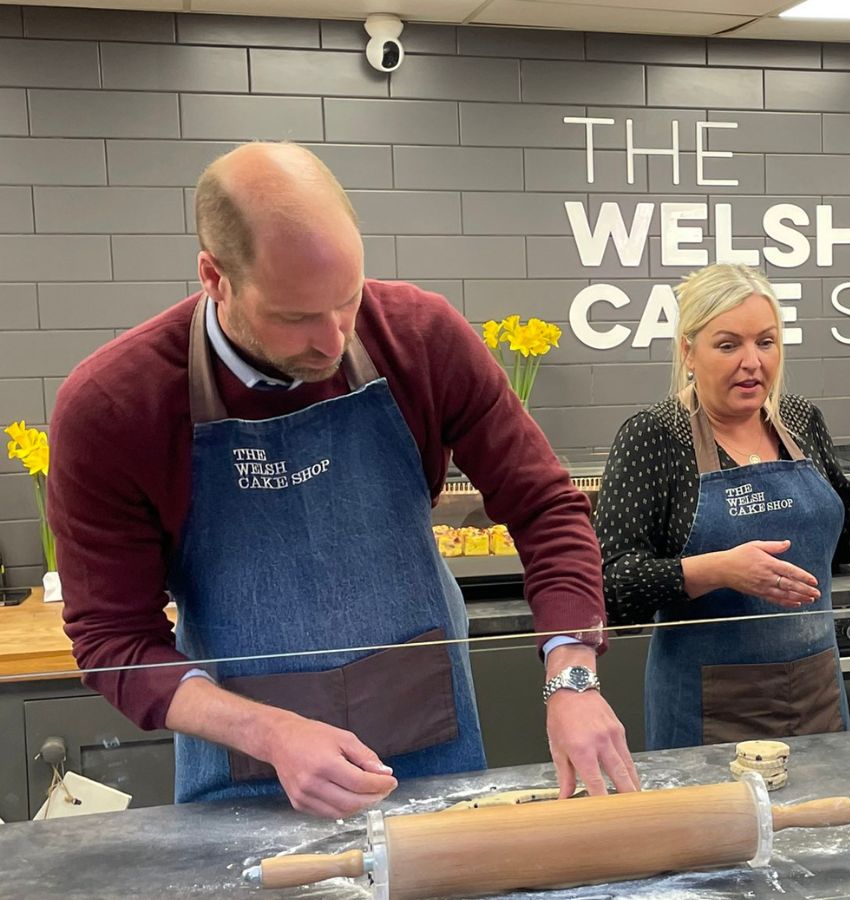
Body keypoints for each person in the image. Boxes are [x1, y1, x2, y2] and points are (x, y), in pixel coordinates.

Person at [49, 141, 638, 817]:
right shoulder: (116, 406)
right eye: (296, 317)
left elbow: (546, 507)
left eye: (348, 301)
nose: (332, 343)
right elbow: (113, 642)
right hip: (247, 767)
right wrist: (268, 731)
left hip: (431, 745)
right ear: (215, 278)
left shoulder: (419, 339)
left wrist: (572, 678)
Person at [594, 262, 850, 750]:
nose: (752, 361)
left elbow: (845, 544)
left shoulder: (799, 419)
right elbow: (609, 585)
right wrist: (719, 569)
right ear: (688, 351)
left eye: (766, 341)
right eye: (728, 344)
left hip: (818, 693)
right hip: (708, 712)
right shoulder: (655, 436)